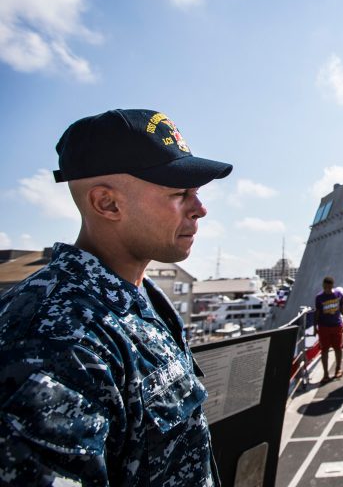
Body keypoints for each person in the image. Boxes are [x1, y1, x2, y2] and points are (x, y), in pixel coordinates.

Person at [0, 109, 232, 485]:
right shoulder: (54, 343)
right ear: (107, 204)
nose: (200, 209)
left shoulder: (142, 298)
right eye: (180, 193)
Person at [314, 276, 343, 384]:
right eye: (325, 287)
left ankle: (338, 368)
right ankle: (326, 374)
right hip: (324, 326)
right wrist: (315, 327)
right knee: (324, 350)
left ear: (332, 286)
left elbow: (342, 308)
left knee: (338, 348)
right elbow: (317, 313)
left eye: (329, 287)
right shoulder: (319, 297)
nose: (327, 289)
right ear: (323, 286)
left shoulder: (338, 295)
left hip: (336, 325)